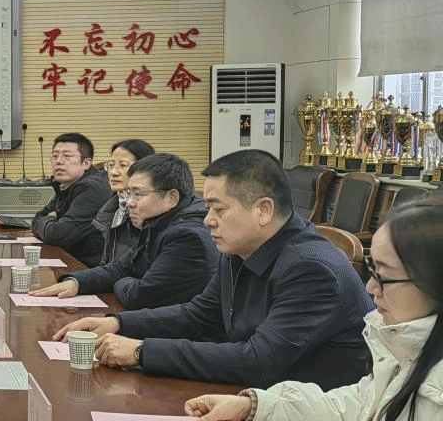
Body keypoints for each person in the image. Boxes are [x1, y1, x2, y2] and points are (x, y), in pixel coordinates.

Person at [185, 198, 443, 421]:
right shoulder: (405, 346)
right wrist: (257, 407)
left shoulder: (310, 265)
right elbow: (350, 412)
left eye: (385, 276)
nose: (370, 287)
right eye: (372, 269)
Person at [56, 149, 372, 389]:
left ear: (263, 210)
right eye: (207, 207)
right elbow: (200, 315)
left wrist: (141, 351)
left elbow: (259, 360)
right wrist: (117, 323)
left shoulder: (312, 269)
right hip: (253, 396)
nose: (207, 220)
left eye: (218, 209)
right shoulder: (242, 248)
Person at [32, 152, 216, 310]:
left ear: (172, 197)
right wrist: (76, 282)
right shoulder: (157, 222)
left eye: (138, 194)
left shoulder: (187, 237)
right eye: (129, 194)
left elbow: (140, 296)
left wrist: (122, 281)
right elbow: (122, 267)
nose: (129, 202)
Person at [30, 132, 113, 266]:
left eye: (67, 156)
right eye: (55, 156)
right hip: (73, 260)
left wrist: (50, 218)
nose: (59, 161)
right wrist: (50, 220)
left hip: (90, 267)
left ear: (86, 163)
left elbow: (57, 235)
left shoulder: (90, 188)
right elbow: (37, 219)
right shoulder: (66, 185)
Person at [93, 138, 155, 267]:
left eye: (123, 166)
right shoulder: (114, 207)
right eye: (111, 165)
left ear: (144, 169)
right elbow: (107, 263)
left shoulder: (150, 210)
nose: (113, 173)